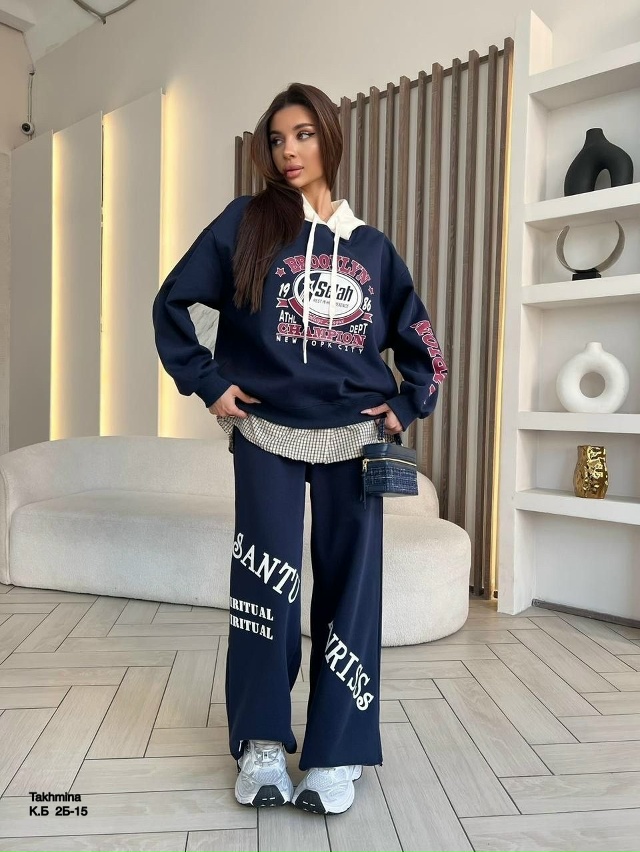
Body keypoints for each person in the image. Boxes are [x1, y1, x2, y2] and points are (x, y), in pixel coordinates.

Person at [152, 82, 447, 816]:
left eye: (304, 134)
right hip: (265, 432)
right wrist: (208, 382)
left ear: (330, 140)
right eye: (278, 138)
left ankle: (337, 751)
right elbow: (171, 302)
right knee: (265, 586)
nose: (289, 151)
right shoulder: (246, 223)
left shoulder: (371, 247)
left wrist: (408, 403)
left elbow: (423, 343)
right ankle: (260, 741)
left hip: (355, 435)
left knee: (351, 590)